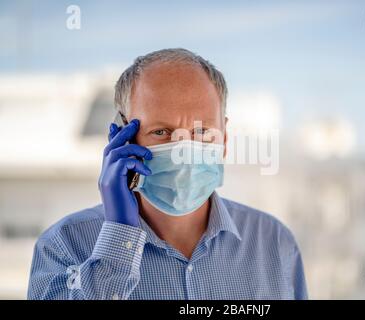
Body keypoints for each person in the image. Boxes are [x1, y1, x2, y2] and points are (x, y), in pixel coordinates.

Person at [27, 48, 307, 300]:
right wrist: (119, 238)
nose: (184, 149)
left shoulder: (275, 243)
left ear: (224, 139)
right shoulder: (63, 246)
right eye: (161, 132)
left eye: (201, 132)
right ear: (124, 139)